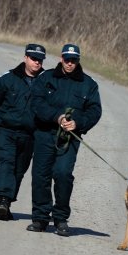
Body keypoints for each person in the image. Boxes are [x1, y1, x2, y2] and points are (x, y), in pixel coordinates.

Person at [28, 43, 102, 236]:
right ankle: (40, 218)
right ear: (61, 58)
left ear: (78, 61)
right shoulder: (46, 77)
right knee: (40, 175)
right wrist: (56, 117)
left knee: (62, 174)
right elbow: (36, 102)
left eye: (74, 60)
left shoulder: (89, 84)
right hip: (45, 133)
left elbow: (95, 110)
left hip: (69, 138)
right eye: (67, 59)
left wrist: (78, 123)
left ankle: (60, 218)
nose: (70, 63)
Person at [0, 43, 47, 220]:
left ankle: (7, 202)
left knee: (19, 170)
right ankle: (3, 200)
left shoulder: (47, 82)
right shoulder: (7, 78)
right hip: (7, 131)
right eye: (33, 59)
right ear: (25, 58)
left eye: (40, 60)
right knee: (6, 163)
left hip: (31, 134)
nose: (37, 63)